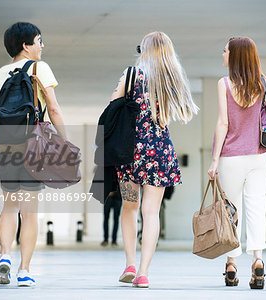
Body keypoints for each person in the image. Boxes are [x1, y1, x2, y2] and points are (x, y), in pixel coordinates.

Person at [0, 22, 66, 287]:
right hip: (33, 145)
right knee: (29, 212)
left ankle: (5, 256)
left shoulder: (0, 74)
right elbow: (54, 108)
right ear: (26, 45)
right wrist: (66, 141)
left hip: (4, 146)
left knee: (10, 206)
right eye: (39, 40)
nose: (42, 45)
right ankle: (24, 270)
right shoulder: (40, 67)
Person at [114, 32, 199, 288]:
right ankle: (143, 273)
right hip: (159, 151)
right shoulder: (170, 79)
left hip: (130, 152)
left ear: (144, 50)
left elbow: (112, 106)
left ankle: (129, 262)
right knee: (151, 212)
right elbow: (174, 113)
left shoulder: (131, 76)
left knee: (129, 206)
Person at [208, 37, 266, 289]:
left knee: (232, 211)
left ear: (235, 56)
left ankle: (231, 263)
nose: (223, 54)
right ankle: (258, 260)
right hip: (260, 157)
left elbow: (223, 124)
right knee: (257, 206)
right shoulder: (265, 83)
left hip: (231, 157)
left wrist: (214, 161)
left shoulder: (224, 84)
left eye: (225, 51)